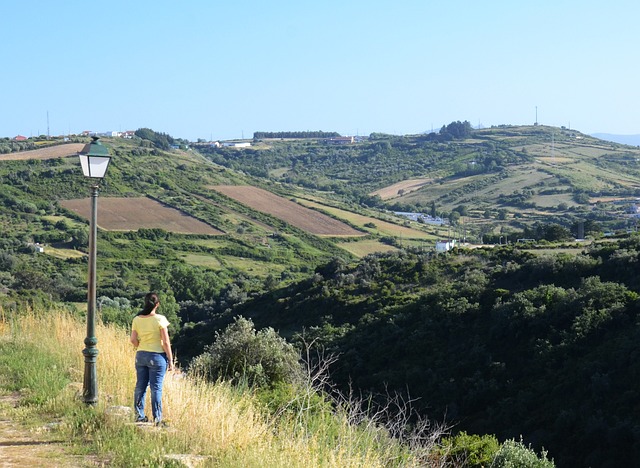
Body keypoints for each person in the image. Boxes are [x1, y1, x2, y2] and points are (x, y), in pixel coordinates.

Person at [130, 292, 174, 425]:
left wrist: (141, 346)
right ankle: (157, 418)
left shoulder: (137, 319)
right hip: (157, 356)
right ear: (157, 304)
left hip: (141, 354)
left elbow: (133, 340)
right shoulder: (160, 319)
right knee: (156, 388)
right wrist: (171, 361)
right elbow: (166, 342)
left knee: (140, 386)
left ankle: (139, 415)